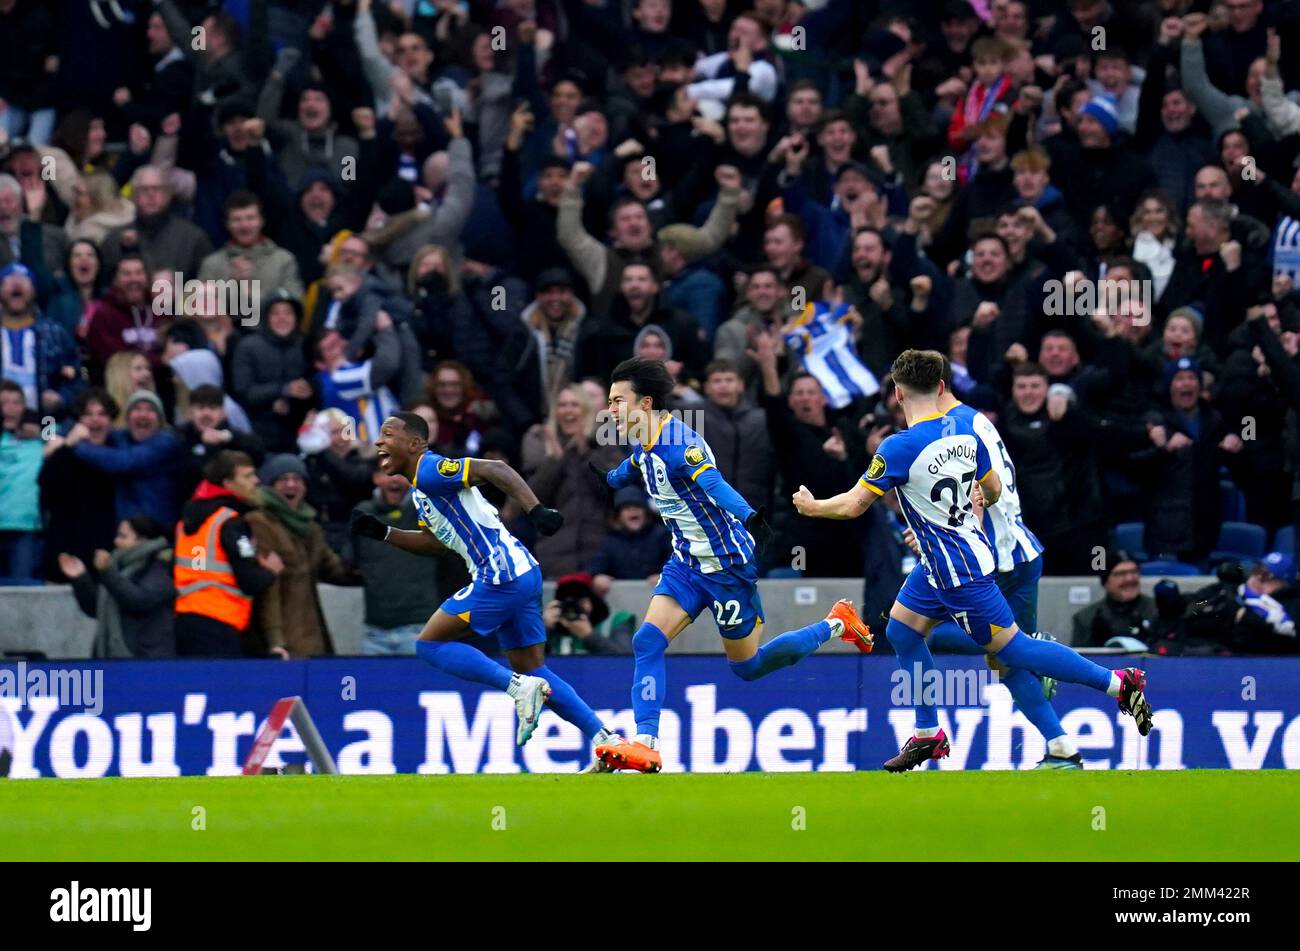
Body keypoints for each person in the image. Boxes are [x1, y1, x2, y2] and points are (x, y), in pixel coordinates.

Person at [793, 350, 1155, 771]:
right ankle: (928, 736)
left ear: (898, 393)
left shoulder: (898, 446)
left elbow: (855, 505)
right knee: (902, 631)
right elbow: (995, 489)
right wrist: (969, 510)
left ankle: (1118, 684)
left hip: (960, 573)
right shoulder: (968, 437)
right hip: (941, 563)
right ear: (942, 387)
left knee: (1013, 651)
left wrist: (813, 505)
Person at [589, 358, 874, 774]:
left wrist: (749, 517)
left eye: (618, 401)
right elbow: (637, 465)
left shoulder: (681, 444)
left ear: (645, 403)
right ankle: (645, 744)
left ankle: (837, 623)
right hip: (686, 564)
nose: (611, 410)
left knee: (748, 667)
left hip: (727, 567)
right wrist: (612, 479)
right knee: (646, 642)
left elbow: (712, 483)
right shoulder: (642, 439)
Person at [351, 411, 624, 769]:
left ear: (415, 444)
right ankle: (607, 741)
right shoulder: (421, 490)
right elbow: (437, 542)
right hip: (521, 573)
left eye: (388, 434)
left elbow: (497, 469)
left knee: (429, 644)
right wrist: (385, 532)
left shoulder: (432, 470)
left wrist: (536, 510)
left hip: (500, 575)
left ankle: (516, 689)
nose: (378, 441)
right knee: (534, 671)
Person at [910, 359, 1081, 769]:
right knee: (1001, 655)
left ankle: (1039, 654)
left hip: (988, 558)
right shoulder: (974, 420)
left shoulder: (950, 430)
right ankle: (1060, 747)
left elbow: (976, 497)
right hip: (1017, 549)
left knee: (915, 631)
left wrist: (938, 532)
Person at [174, 450, 284, 657]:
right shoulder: (230, 522)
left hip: (185, 620)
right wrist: (270, 571)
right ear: (227, 483)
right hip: (219, 623)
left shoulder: (188, 521)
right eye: (248, 476)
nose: (256, 481)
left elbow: (196, 568)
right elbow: (249, 581)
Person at [245, 454, 355, 658]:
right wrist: (275, 640)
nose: (291, 485)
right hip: (281, 638)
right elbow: (270, 590)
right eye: (283, 480)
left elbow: (334, 568)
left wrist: (366, 564)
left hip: (310, 633)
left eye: (297, 479)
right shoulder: (260, 522)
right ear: (270, 485)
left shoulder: (310, 527)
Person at [351, 469, 470, 655]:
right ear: (376, 478)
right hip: (374, 631)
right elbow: (348, 560)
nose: (394, 479)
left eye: (400, 473)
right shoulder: (362, 514)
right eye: (387, 473)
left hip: (419, 627)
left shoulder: (425, 511)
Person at [60, 517, 175, 658]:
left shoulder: (160, 566)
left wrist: (108, 573)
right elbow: (96, 608)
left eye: (123, 537)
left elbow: (139, 600)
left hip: (146, 659)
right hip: (112, 657)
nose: (116, 541)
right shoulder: (117, 566)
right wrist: (80, 578)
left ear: (143, 540)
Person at [1071, 550, 1158, 648]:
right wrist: (1094, 642)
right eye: (1121, 574)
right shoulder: (1086, 618)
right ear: (1106, 581)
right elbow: (1079, 659)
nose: (1130, 579)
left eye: (1134, 571)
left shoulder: (1158, 611)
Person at [543, 572, 635, 655]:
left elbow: (626, 659)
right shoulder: (553, 624)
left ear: (593, 601)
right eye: (567, 602)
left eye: (579, 601)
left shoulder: (616, 619)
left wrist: (589, 636)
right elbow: (532, 662)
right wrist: (544, 629)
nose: (573, 608)